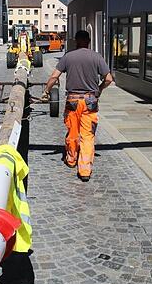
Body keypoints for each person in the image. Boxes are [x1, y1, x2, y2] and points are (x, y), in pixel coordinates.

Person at [40, 30, 113, 181]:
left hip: (72, 101)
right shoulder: (97, 57)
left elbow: (54, 76)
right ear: (89, 41)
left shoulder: (68, 57)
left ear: (76, 41)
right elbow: (108, 79)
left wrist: (46, 91)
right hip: (90, 101)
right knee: (87, 136)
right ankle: (85, 171)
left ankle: (71, 160)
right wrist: (99, 89)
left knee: (73, 132)